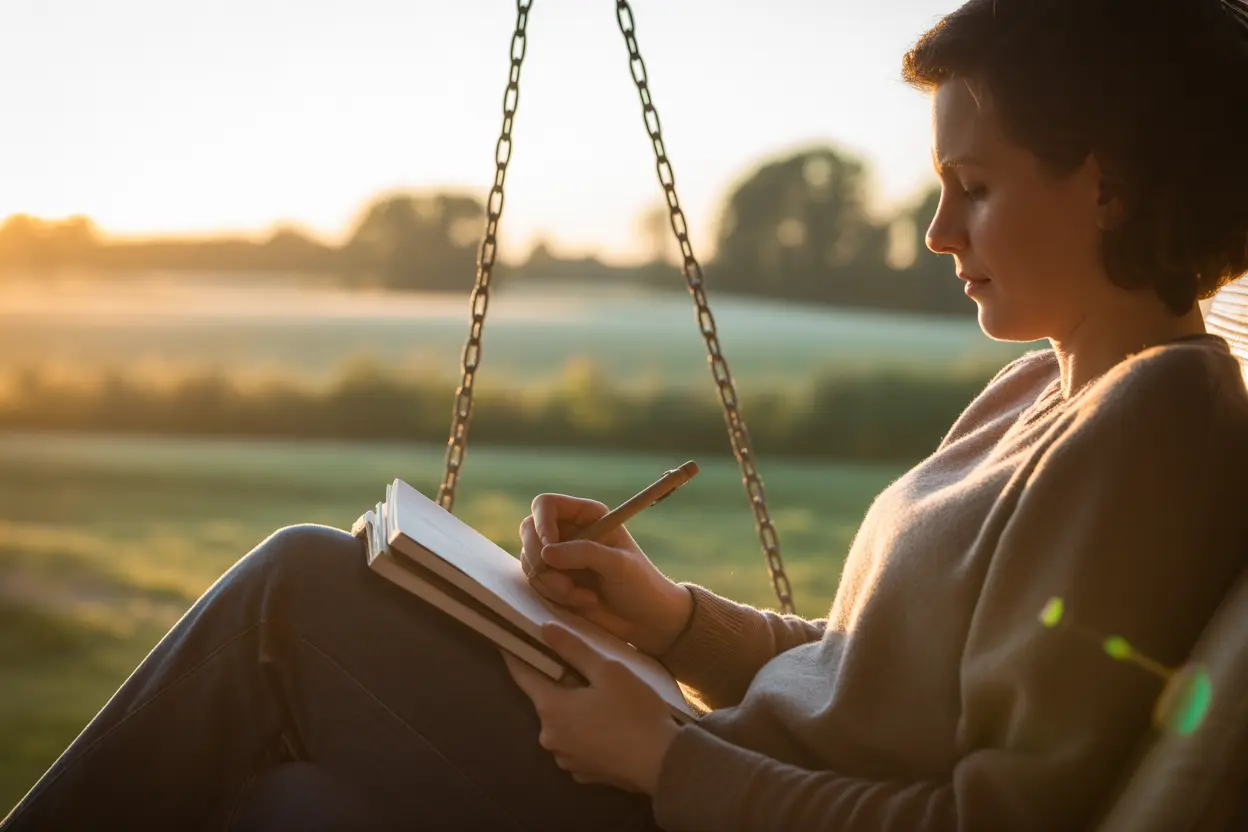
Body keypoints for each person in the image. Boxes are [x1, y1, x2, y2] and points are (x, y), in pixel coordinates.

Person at [6, 0, 1248, 829]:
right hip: (679, 776)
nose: (936, 232)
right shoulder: (1047, 381)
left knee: (296, 593)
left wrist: (664, 757)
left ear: (1109, 184)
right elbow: (878, 683)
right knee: (292, 801)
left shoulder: (1158, 423)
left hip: (670, 808)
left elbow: (989, 818)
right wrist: (670, 618)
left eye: (972, 189)